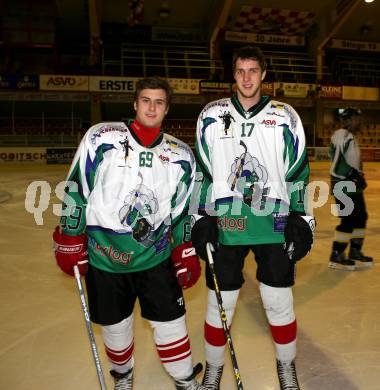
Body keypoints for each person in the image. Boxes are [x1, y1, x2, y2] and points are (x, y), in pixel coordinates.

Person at [53, 77, 208, 390]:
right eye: (146, 100)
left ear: (167, 110)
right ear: (135, 104)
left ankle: (184, 380)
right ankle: (123, 377)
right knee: (115, 327)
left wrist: (184, 250)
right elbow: (76, 189)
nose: (152, 107)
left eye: (159, 102)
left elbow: (182, 213)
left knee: (171, 325)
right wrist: (71, 237)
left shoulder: (180, 156)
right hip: (104, 257)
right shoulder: (101, 138)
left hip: (155, 257)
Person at [191, 46, 315, 390]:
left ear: (263, 74)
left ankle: (286, 367)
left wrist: (300, 217)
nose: (247, 77)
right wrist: (201, 218)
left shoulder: (286, 115)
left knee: (278, 301)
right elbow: (202, 171)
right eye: (241, 70)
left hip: (272, 221)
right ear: (233, 75)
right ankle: (214, 369)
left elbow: (298, 172)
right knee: (221, 304)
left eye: (253, 70)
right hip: (226, 222)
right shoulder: (211, 115)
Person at [328, 107, 373, 271]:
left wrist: (357, 175)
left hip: (351, 183)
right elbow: (337, 163)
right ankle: (337, 253)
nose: (358, 121)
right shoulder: (342, 135)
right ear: (346, 120)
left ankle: (355, 250)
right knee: (348, 220)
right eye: (355, 118)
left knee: (361, 217)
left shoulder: (350, 136)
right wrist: (349, 175)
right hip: (343, 184)